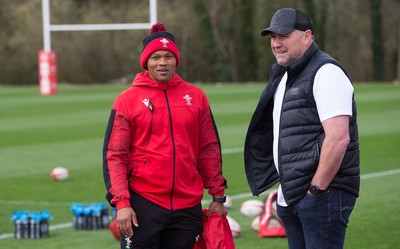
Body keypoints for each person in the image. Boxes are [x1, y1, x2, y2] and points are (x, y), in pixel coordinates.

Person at [103, 22, 227, 249]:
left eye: (168, 56)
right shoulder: (127, 100)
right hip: (143, 203)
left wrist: (217, 196)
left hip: (187, 205)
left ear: (176, 60)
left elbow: (208, 148)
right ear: (146, 62)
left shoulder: (196, 97)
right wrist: (122, 203)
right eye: (156, 57)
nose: (162, 62)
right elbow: (115, 155)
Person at [244, 8, 360, 249]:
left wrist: (315, 191)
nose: (276, 43)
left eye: (283, 36)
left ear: (307, 37)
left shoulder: (327, 72)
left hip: (323, 196)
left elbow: (338, 138)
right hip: (292, 196)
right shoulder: (285, 75)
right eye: (273, 38)